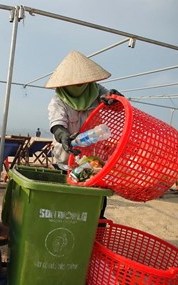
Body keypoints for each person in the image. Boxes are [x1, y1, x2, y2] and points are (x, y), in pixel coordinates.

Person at [46, 50, 122, 219]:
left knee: (95, 198)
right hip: (65, 160)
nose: (79, 87)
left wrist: (115, 100)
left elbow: (115, 105)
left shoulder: (97, 91)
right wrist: (64, 136)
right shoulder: (58, 101)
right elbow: (57, 126)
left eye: (83, 83)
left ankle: (96, 223)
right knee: (66, 201)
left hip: (93, 159)